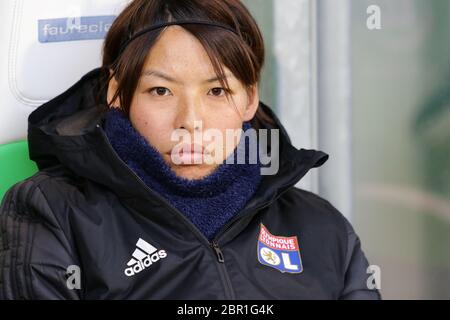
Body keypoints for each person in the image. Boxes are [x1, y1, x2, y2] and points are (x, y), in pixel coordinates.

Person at [0, 0, 381, 300]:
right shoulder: (53, 213)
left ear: (250, 99)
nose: (191, 120)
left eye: (217, 91)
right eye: (161, 91)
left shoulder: (320, 226)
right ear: (118, 93)